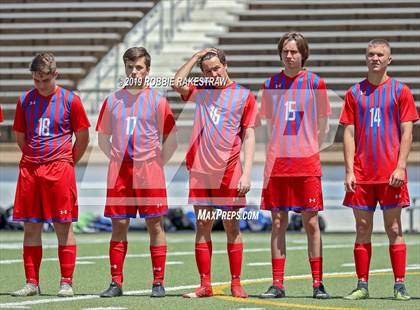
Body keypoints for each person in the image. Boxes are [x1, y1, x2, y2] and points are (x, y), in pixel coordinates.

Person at [172, 47, 260, 298]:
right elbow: (177, 83)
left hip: (230, 169)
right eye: (208, 71)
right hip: (200, 170)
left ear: (226, 65)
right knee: (203, 225)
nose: (213, 74)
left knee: (232, 226)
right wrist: (194, 57)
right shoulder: (201, 89)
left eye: (216, 69)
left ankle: (236, 283)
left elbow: (250, 134)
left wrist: (247, 173)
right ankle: (205, 285)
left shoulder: (243, 95)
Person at [340, 39, 418, 301]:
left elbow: (408, 132)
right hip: (362, 174)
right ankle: (362, 285)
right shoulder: (354, 93)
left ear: (389, 60)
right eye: (371, 54)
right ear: (366, 58)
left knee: (394, 228)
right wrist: (349, 170)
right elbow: (348, 133)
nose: (375, 58)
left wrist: (400, 166)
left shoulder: (400, 91)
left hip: (390, 175)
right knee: (362, 228)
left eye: (380, 55)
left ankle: (399, 285)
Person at [96, 47, 177, 298]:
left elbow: (171, 141)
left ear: (148, 70)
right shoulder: (112, 100)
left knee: (155, 223)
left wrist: (154, 164)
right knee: (119, 224)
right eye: (130, 67)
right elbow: (102, 138)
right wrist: (117, 161)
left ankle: (158, 281)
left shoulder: (158, 101)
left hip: (149, 171)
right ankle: (116, 282)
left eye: (139, 67)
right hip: (120, 173)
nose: (134, 71)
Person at [11, 52, 90, 297]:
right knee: (31, 228)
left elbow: (83, 136)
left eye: (46, 79)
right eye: (37, 80)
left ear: (55, 75)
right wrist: (35, 159)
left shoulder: (70, 100)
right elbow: (21, 137)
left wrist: (67, 161)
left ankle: (66, 282)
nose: (41, 85)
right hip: (31, 170)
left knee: (63, 227)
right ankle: (32, 283)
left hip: (60, 169)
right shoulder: (24, 100)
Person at [259, 32, 331, 299]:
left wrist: (308, 146)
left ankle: (317, 284)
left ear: (303, 55)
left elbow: (323, 124)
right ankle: (277, 284)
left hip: (306, 164)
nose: (289, 56)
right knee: (278, 222)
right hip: (278, 166)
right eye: (285, 51)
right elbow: (268, 127)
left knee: (311, 222)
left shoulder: (316, 83)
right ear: (280, 54)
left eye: (294, 52)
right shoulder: (270, 85)